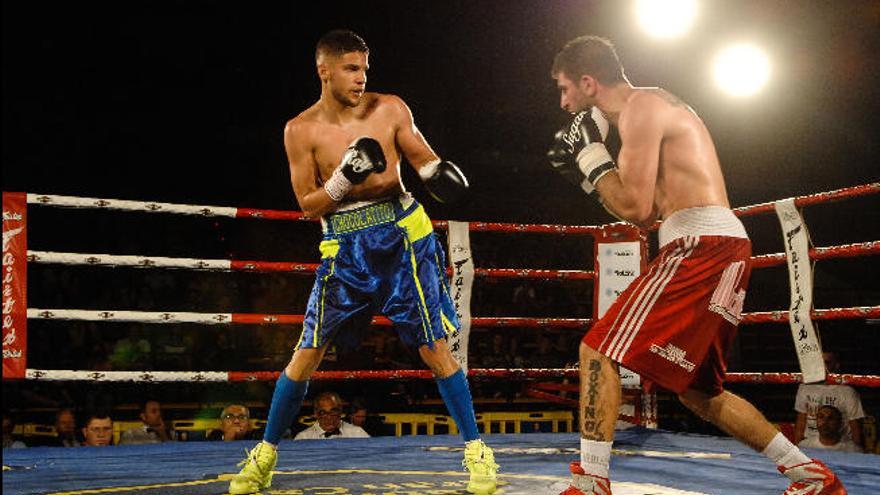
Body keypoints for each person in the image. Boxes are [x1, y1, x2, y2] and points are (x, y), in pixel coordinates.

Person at [546, 35, 846, 495]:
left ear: (588, 83)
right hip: (718, 245)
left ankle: (590, 483)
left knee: (599, 350)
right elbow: (644, 214)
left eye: (565, 89)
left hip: (699, 244)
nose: (563, 102)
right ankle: (810, 475)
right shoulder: (648, 107)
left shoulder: (641, 108)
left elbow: (634, 206)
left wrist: (591, 158)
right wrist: (592, 178)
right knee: (699, 391)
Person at [229, 29, 496, 495]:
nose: (361, 78)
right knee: (306, 352)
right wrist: (342, 180)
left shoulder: (390, 108)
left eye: (365, 69)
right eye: (351, 69)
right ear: (324, 70)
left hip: (400, 239)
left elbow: (424, 159)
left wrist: (439, 175)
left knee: (435, 348)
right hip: (344, 248)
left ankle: (478, 454)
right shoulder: (300, 130)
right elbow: (309, 205)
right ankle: (263, 458)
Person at [794, 351, 865, 451]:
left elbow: (855, 427)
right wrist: (797, 448)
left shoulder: (847, 392)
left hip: (840, 446)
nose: (822, 366)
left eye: (826, 362)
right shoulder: (805, 387)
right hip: (810, 445)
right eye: (819, 363)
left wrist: (854, 451)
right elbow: (801, 421)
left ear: (836, 365)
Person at [294, 392, 369, 440]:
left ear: (340, 411)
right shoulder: (303, 438)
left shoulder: (357, 433)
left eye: (333, 411)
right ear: (316, 414)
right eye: (323, 413)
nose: (329, 417)